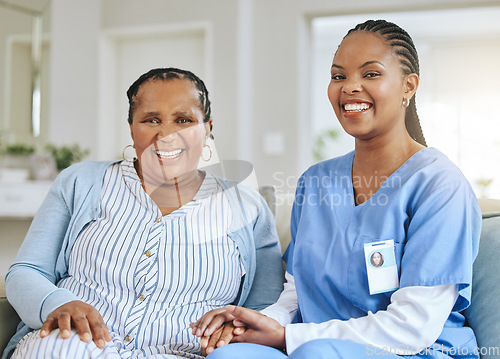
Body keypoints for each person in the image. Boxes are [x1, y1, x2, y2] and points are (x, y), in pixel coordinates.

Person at [191, 20, 482, 358]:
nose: (349, 87)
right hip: (311, 344)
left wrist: (291, 337)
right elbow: (298, 295)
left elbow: (412, 328)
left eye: (370, 74)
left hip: (413, 351)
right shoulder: (315, 181)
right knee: (229, 355)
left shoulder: (440, 185)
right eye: (339, 76)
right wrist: (256, 324)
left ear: (408, 86)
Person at [2, 68, 283, 359]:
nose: (167, 135)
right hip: (71, 347)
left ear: (207, 128)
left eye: (183, 120)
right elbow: (26, 271)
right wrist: (57, 303)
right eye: (151, 120)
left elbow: (265, 304)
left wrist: (233, 328)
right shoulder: (81, 182)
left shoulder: (246, 206)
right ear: (131, 127)